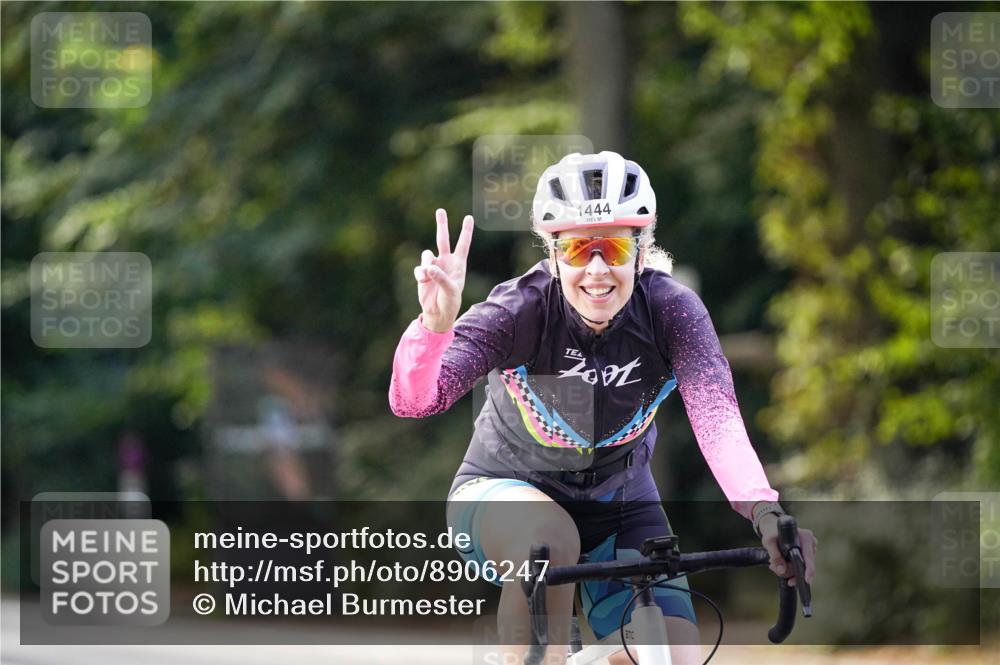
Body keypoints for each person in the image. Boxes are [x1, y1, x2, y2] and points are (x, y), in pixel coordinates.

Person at [390, 151, 817, 665]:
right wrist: (435, 328)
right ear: (552, 254)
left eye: (613, 247)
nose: (596, 269)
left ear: (640, 251)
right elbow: (416, 401)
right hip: (503, 491)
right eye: (576, 249)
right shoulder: (519, 309)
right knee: (550, 539)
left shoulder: (671, 310)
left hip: (621, 503)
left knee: (674, 657)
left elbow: (718, 419)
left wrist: (765, 512)